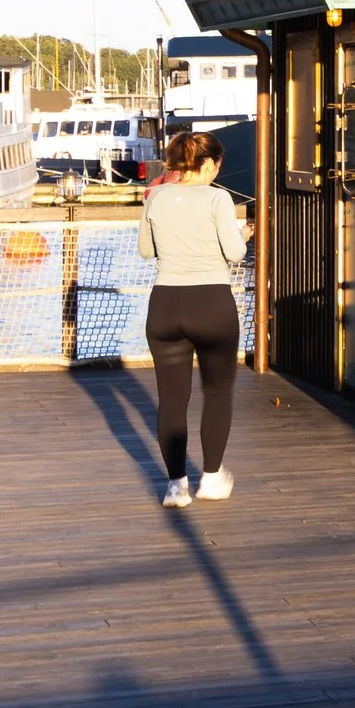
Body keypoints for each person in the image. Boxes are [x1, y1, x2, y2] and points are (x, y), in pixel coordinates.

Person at [137, 131, 250, 508]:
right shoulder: (218, 197)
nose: (217, 171)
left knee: (172, 399)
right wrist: (243, 235)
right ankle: (212, 479)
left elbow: (145, 251)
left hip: (165, 304)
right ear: (205, 164)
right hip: (211, 303)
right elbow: (234, 254)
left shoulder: (154, 196)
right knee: (216, 393)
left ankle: (175, 487)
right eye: (216, 164)